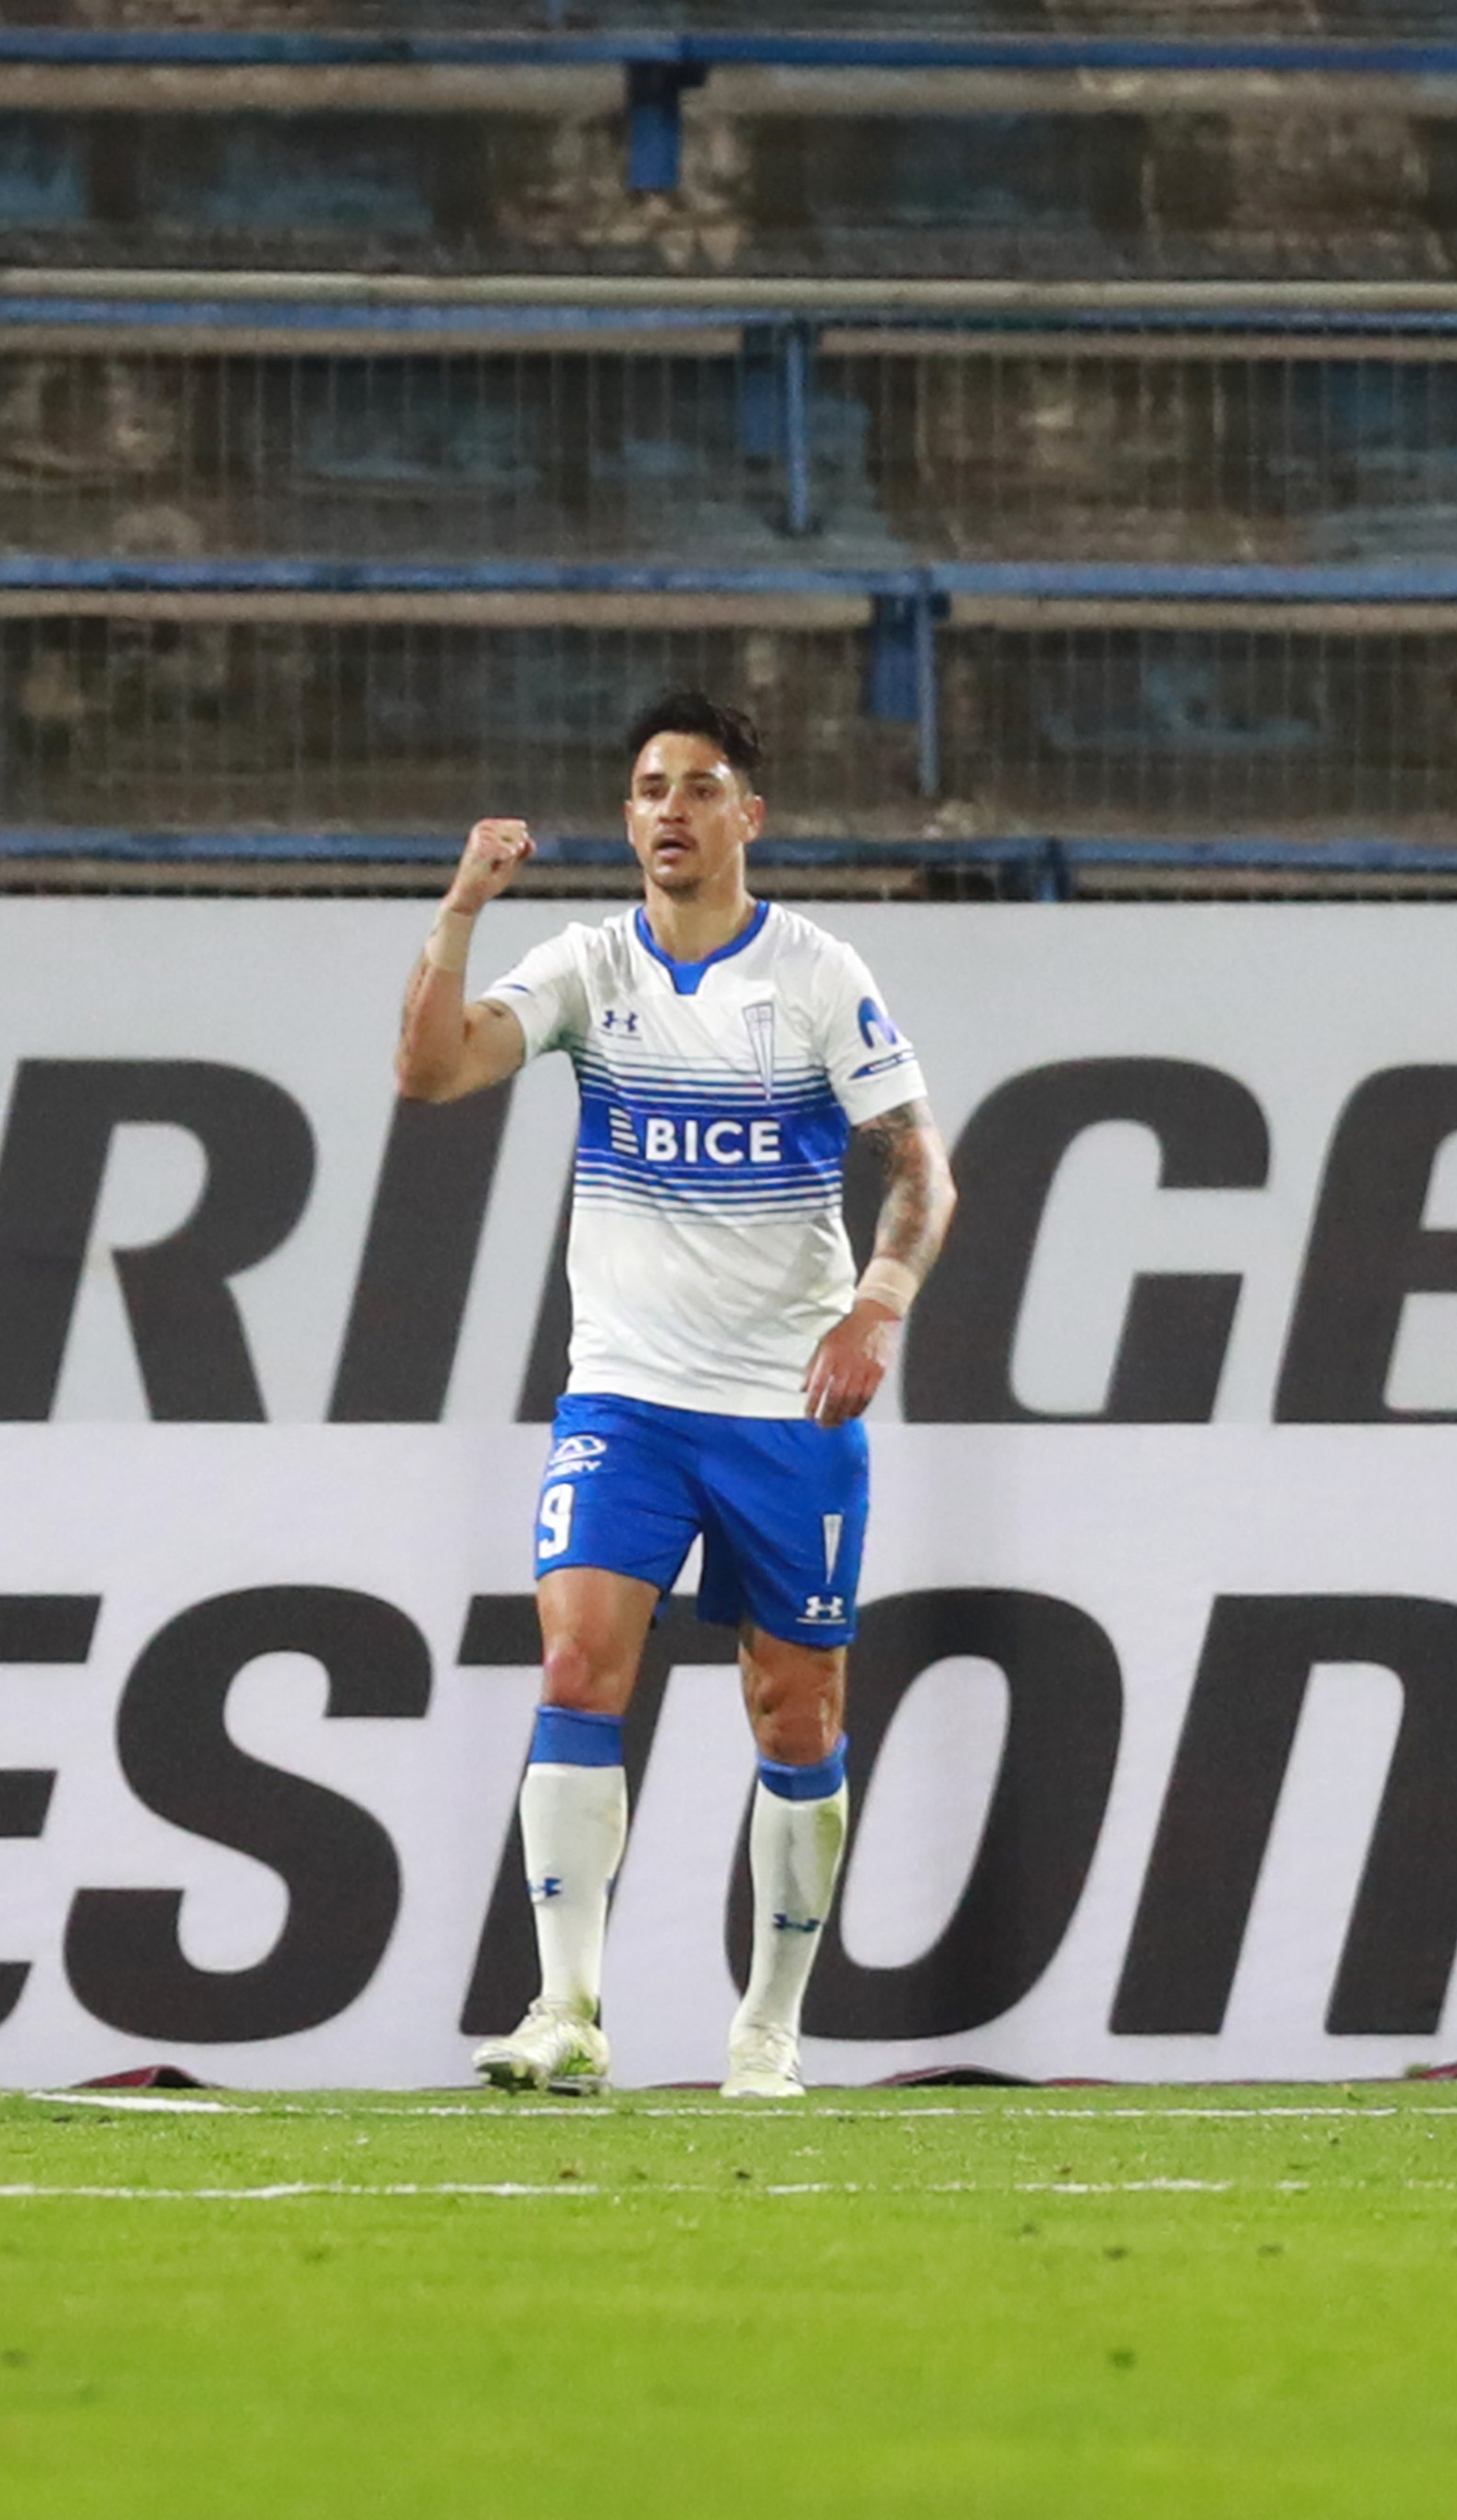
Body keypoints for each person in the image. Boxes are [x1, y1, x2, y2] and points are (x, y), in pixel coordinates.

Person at [391, 689, 955, 2101]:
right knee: (577, 1667)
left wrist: (877, 1306)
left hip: (784, 1410)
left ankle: (769, 2028)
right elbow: (432, 1072)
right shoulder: (588, 967)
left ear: (748, 816)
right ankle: (567, 2011)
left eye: (700, 788)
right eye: (651, 789)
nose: (671, 812)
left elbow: (919, 1168)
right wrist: (461, 910)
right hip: (627, 1397)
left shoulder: (815, 974)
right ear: (627, 814)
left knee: (796, 1715)